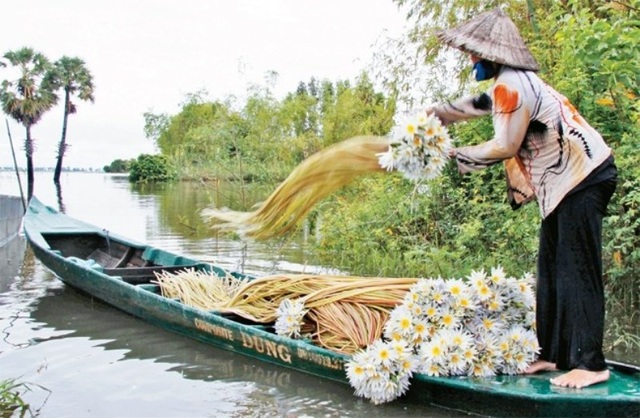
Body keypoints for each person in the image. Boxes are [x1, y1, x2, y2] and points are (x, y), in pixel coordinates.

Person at [428, 8, 617, 389]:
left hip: (585, 176)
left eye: (475, 54)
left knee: (576, 268)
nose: (471, 60)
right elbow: (480, 104)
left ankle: (590, 363)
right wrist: (438, 115)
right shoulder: (507, 84)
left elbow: (505, 145)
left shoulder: (513, 86)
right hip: (562, 184)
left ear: (494, 55)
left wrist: (456, 153)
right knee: (549, 267)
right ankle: (551, 354)